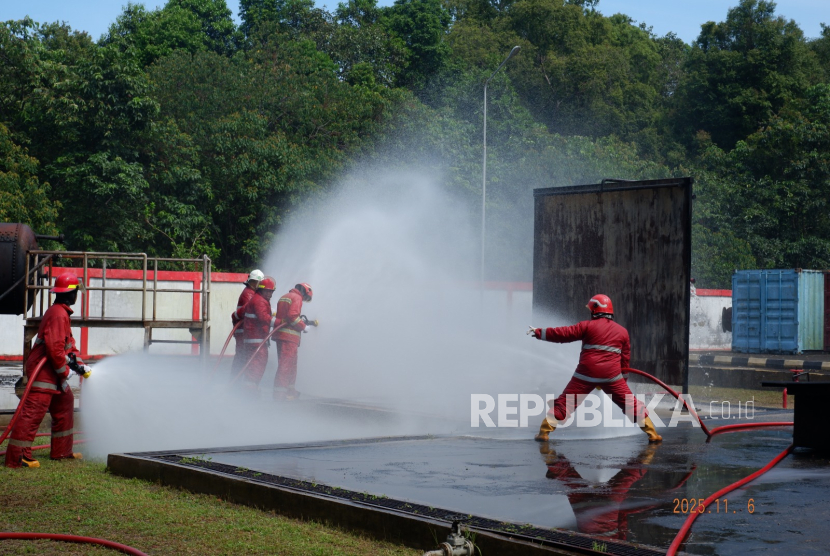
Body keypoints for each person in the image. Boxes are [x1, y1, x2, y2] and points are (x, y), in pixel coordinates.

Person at [528, 294, 662, 443]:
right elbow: (625, 359)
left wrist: (539, 332)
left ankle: (544, 433)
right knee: (631, 404)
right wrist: (622, 381)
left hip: (585, 375)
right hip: (612, 376)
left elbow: (564, 334)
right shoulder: (622, 332)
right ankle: (653, 434)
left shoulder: (586, 326)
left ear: (594, 310)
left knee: (565, 403)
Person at [5, 273, 92, 468]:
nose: (77, 295)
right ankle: (18, 457)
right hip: (43, 371)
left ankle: (62, 451)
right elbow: (54, 349)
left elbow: (68, 346)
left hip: (53, 370)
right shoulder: (58, 314)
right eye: (76, 292)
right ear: (70, 293)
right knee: (33, 411)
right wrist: (65, 372)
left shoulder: (62, 313)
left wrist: (80, 365)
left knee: (65, 402)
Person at [233, 276, 277, 393]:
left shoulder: (255, 298)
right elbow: (264, 318)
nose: (270, 294)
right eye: (268, 291)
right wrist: (279, 322)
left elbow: (239, 313)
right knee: (257, 364)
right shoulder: (259, 301)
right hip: (256, 339)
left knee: (252, 364)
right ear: (261, 289)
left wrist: (234, 317)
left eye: (271, 292)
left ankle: (247, 388)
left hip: (253, 339)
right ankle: (250, 390)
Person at [273, 283, 314, 400]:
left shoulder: (285, 296)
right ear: (305, 292)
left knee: (289, 364)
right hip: (289, 337)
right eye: (306, 297)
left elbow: (286, 315)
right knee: (286, 365)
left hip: (282, 335)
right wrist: (303, 327)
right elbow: (293, 316)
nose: (304, 299)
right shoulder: (297, 298)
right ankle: (280, 394)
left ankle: (289, 390)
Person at [230, 269, 264, 378]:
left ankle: (236, 381)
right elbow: (252, 309)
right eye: (257, 282)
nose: (259, 285)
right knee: (242, 357)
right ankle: (236, 381)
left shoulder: (250, 292)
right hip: (243, 330)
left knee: (242, 356)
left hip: (243, 330)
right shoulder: (249, 293)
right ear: (252, 282)